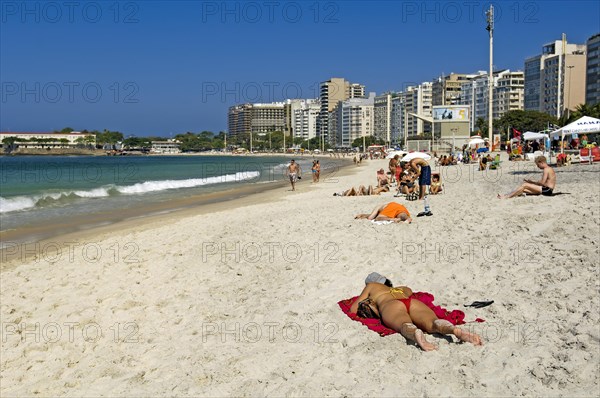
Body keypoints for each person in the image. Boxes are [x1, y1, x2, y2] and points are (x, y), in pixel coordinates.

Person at [349, 273, 483, 351]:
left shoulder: (372, 286)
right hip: (412, 303)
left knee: (404, 324)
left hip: (391, 306)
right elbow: (410, 293)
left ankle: (415, 332)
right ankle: (453, 330)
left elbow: (353, 309)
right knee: (432, 323)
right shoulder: (403, 288)